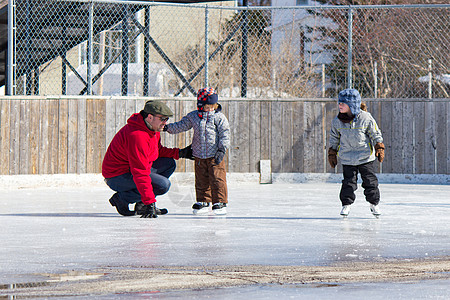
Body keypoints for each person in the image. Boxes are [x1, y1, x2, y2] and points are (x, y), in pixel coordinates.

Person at [102, 100, 193, 218]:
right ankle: (122, 199)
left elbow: (157, 151)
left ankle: (141, 205)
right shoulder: (137, 136)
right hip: (117, 176)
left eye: (167, 119)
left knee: (169, 163)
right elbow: (140, 172)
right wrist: (150, 201)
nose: (165, 123)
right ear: (150, 117)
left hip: (131, 170)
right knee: (162, 185)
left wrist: (180, 153)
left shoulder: (152, 129)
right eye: (163, 119)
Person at [164, 87, 230, 215]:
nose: (211, 109)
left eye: (213, 106)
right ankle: (204, 201)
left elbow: (225, 134)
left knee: (217, 178)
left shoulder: (219, 117)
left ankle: (220, 202)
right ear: (200, 105)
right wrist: (167, 128)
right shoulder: (193, 117)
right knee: (201, 180)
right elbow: (180, 125)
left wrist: (222, 149)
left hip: (215, 155)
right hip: (199, 155)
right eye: (208, 106)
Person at [328, 89, 385, 218]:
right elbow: (334, 137)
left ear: (352, 105)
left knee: (370, 182)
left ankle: (374, 204)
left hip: (365, 157)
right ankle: (346, 205)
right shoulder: (337, 121)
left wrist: (379, 146)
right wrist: (332, 152)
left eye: (343, 103)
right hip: (347, 157)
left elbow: (375, 133)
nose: (340, 105)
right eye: (339, 103)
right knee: (348, 183)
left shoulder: (365, 117)